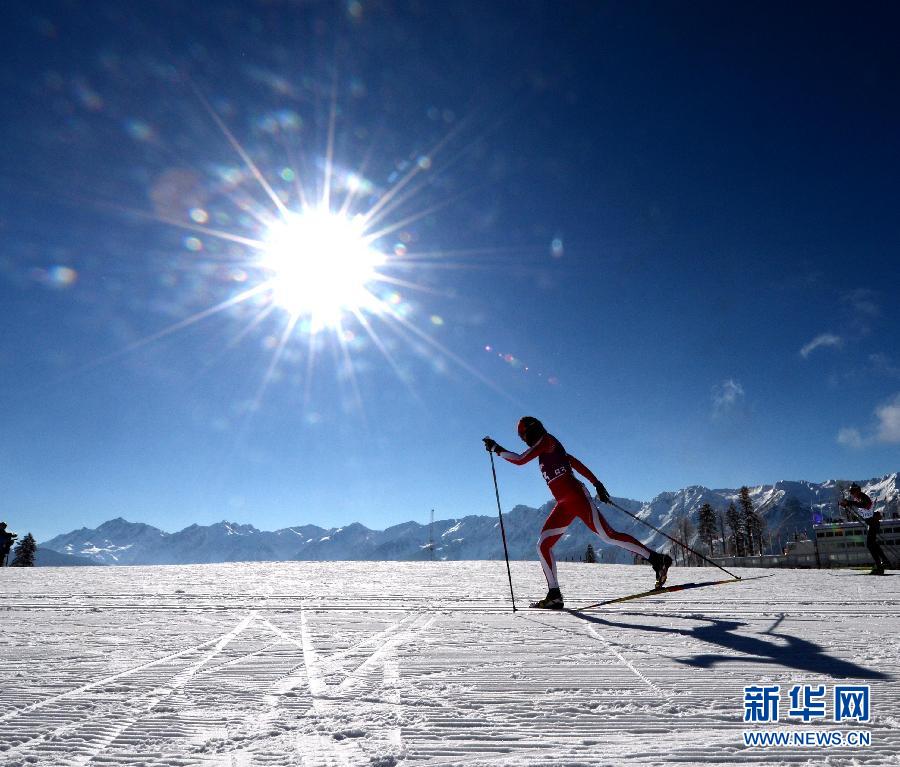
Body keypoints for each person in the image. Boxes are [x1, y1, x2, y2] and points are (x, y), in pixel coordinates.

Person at [483, 417, 672, 608]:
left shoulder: (546, 442)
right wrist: (596, 483)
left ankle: (657, 560)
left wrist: (496, 448)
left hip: (578, 498)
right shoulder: (549, 448)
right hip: (564, 504)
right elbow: (574, 462)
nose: (524, 440)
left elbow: (520, 460)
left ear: (531, 432)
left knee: (608, 536)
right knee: (543, 545)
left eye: (524, 436)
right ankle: (554, 595)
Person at [840, 483, 887, 575]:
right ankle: (882, 562)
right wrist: (847, 505)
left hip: (873, 523)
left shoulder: (863, 497)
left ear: (857, 491)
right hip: (871, 523)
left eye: (852, 491)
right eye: (851, 492)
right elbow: (859, 506)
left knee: (870, 544)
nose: (851, 494)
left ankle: (880, 566)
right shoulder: (858, 498)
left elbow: (864, 505)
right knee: (872, 544)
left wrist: (849, 503)